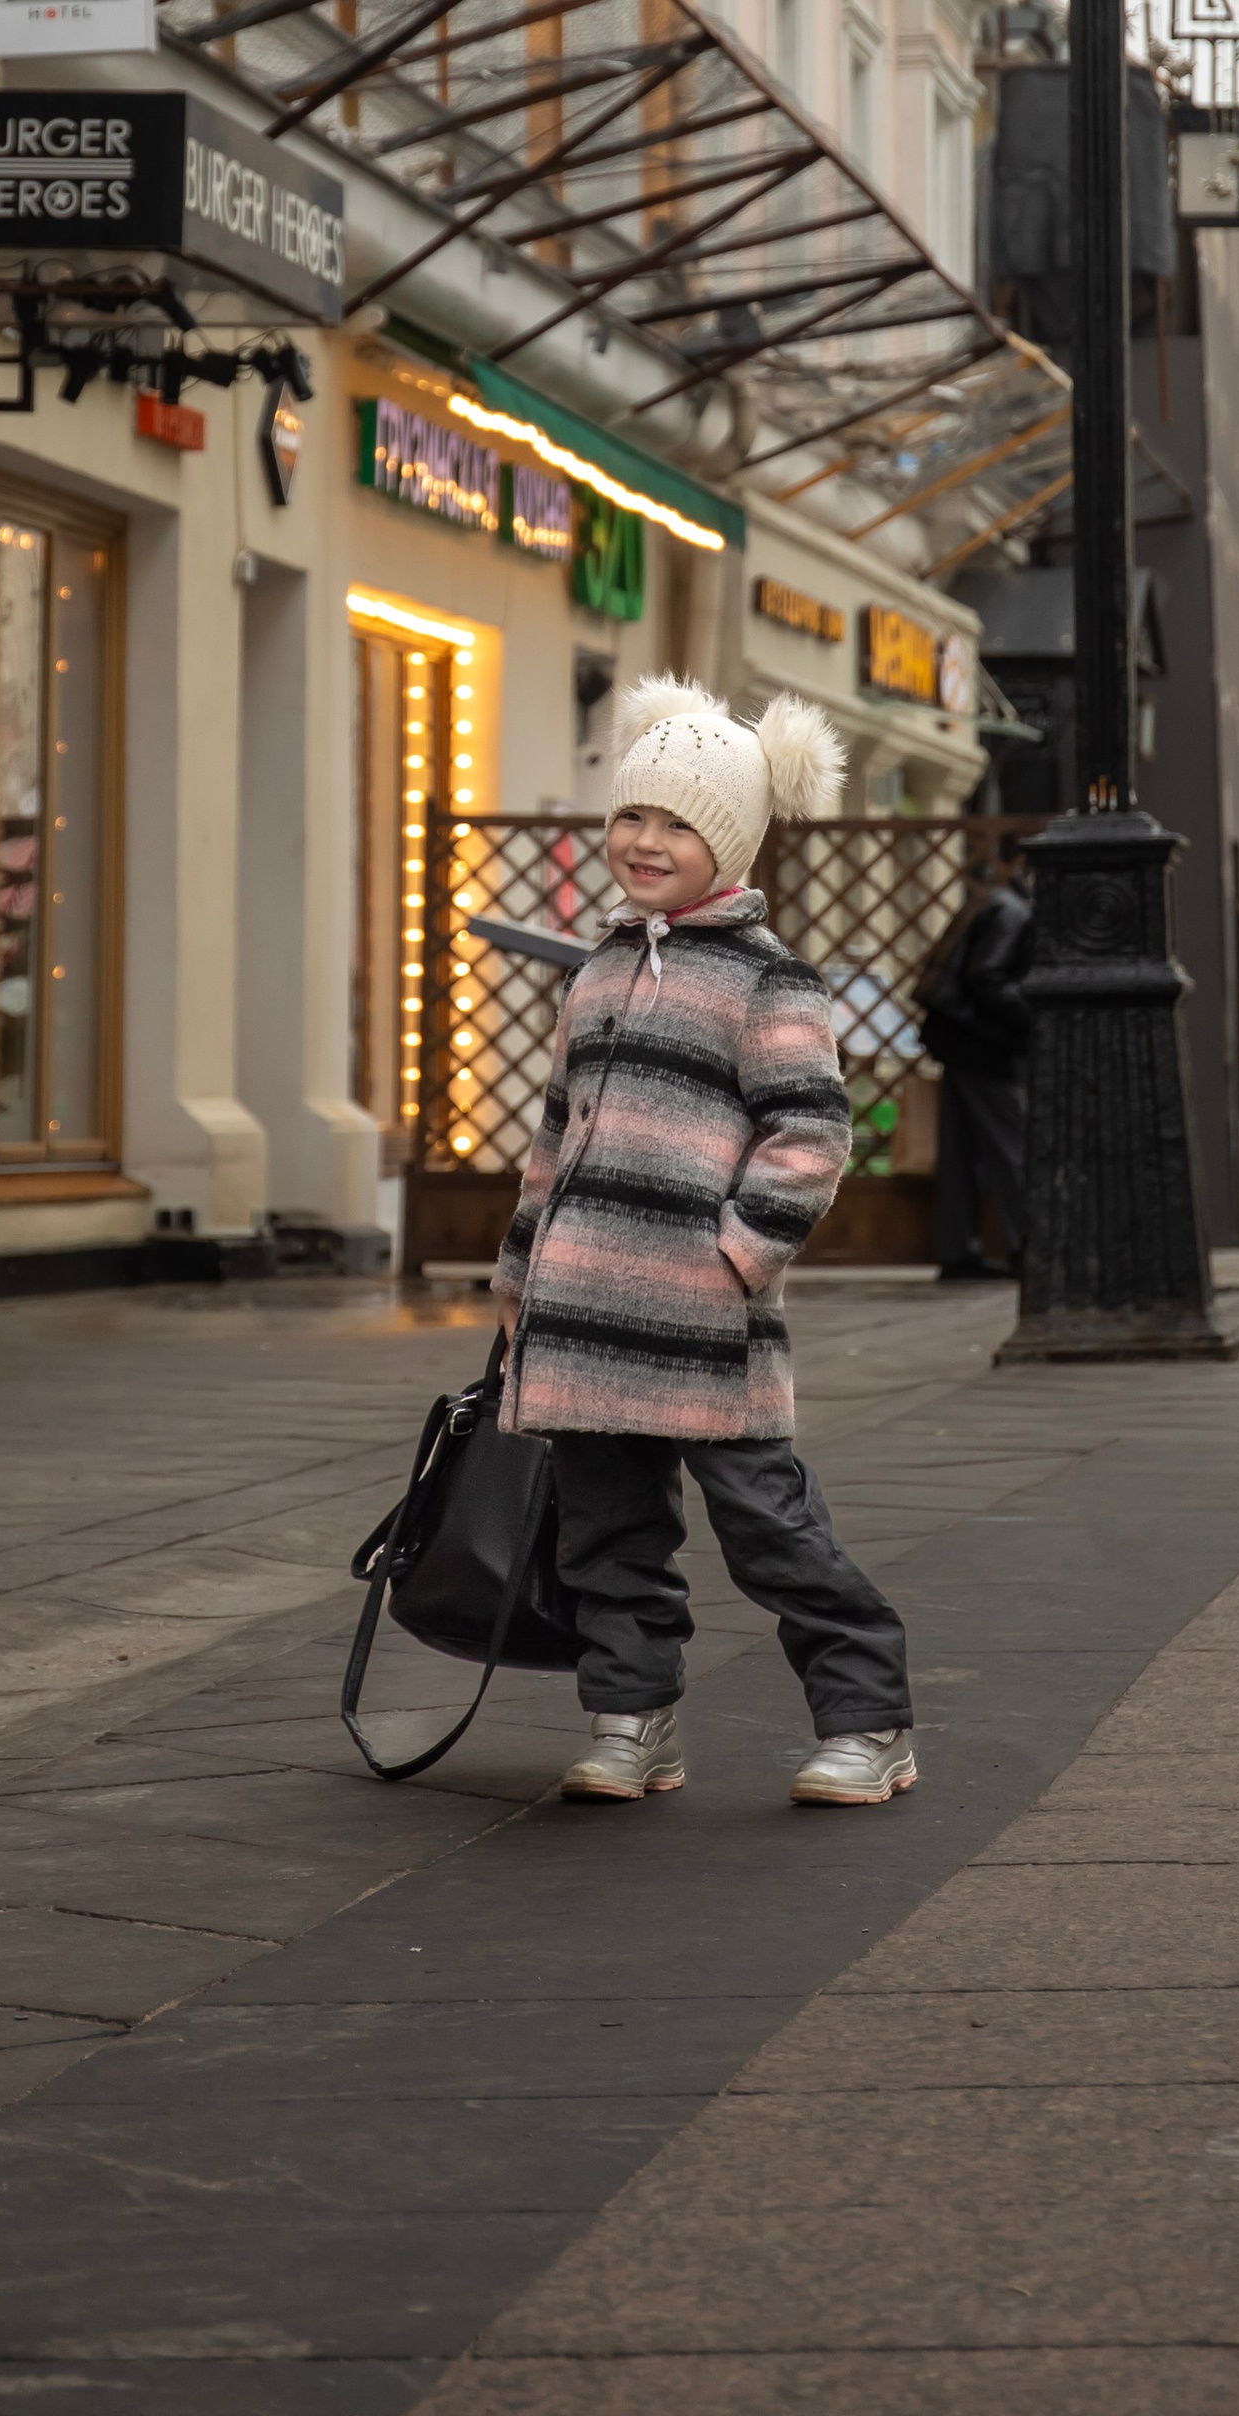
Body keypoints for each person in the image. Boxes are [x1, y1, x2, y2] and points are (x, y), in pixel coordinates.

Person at [493, 675, 917, 1812]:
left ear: (726, 844)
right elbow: (553, 1138)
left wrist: (737, 1255)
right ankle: (632, 1721)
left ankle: (868, 1721)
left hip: (705, 1323)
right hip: (585, 1317)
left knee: (770, 1526)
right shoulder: (596, 971)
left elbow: (810, 1132)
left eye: (678, 824)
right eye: (632, 814)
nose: (645, 841)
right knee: (606, 1536)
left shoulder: (767, 980)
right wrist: (521, 1274)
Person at [919, 839, 1033, 1281]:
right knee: (1010, 1147)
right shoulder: (1013, 911)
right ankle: (1030, 1248)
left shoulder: (998, 904)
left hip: (960, 1037)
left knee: (961, 1150)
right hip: (984, 1043)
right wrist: (1031, 1016)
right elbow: (988, 975)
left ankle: (958, 1251)